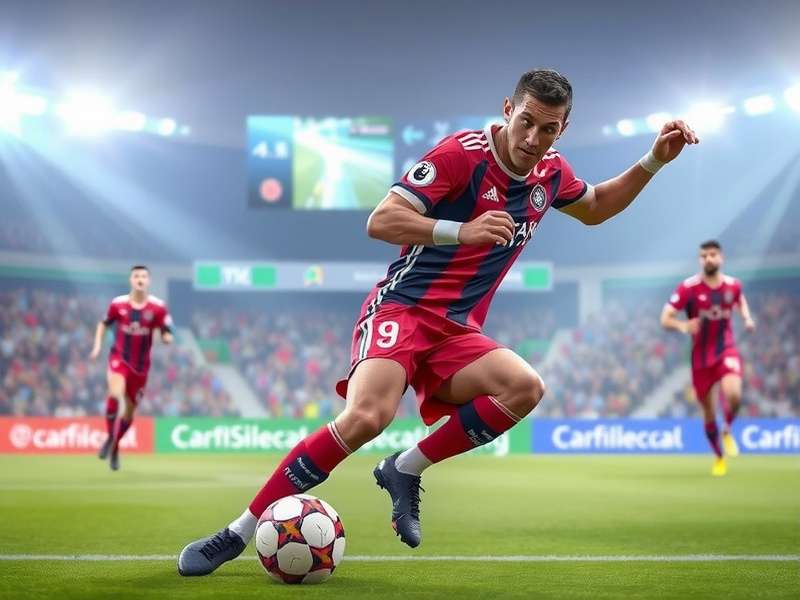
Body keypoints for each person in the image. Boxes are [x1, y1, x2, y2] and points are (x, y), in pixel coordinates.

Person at [178, 68, 698, 576]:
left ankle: (403, 469)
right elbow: (380, 220)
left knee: (524, 387)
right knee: (366, 418)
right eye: (527, 122)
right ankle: (238, 532)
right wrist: (461, 230)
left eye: (549, 129)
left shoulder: (551, 172)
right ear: (508, 111)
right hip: (403, 309)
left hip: (457, 330)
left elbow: (596, 207)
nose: (534, 138)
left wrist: (654, 160)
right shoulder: (460, 155)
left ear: (563, 129)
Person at [661, 240, 755, 475]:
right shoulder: (688, 288)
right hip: (700, 358)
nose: (709, 259)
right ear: (699, 260)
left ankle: (727, 429)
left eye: (713, 255)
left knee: (734, 394)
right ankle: (718, 456)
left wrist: (746, 318)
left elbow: (740, 300)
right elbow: (665, 318)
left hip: (726, 349)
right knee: (708, 410)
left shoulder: (733, 285)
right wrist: (683, 326)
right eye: (704, 256)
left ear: (721, 257)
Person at [90, 265, 174, 470]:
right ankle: (110, 437)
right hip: (119, 358)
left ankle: (115, 446)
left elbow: (167, 330)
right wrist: (97, 346)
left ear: (149, 281)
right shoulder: (118, 304)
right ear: (131, 280)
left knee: (128, 412)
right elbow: (103, 324)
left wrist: (166, 337)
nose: (140, 279)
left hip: (141, 367)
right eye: (136, 275)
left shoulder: (158, 307)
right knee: (115, 394)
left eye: (144, 276)